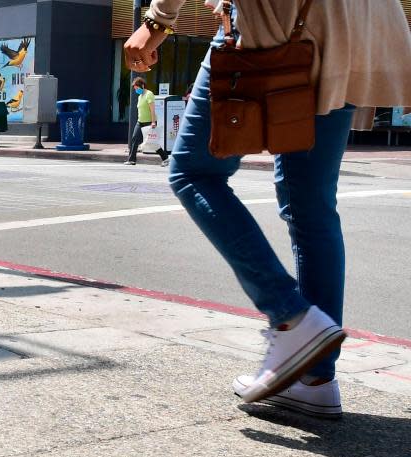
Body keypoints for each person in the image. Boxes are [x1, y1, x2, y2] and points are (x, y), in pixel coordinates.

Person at [124, 0, 411, 418]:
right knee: (313, 206)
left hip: (281, 17)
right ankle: (314, 379)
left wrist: (157, 20)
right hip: (359, 23)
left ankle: (291, 317)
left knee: (193, 172)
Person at [124, 78, 170, 166]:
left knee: (152, 142)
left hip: (149, 122)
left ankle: (165, 158)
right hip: (140, 122)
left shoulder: (149, 94)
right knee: (134, 139)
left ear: (142, 85)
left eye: (137, 88)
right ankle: (131, 160)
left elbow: (152, 110)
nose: (136, 90)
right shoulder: (139, 96)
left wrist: (153, 122)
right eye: (135, 89)